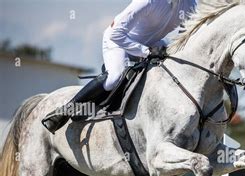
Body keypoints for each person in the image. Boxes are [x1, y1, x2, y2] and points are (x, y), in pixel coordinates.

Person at [42, 0, 196, 134]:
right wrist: (147, 51)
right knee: (114, 78)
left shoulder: (190, 3)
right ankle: (65, 110)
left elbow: (185, 35)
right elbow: (116, 33)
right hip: (119, 42)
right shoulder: (149, 1)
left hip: (151, 43)